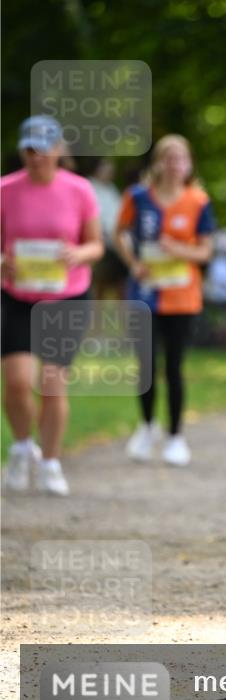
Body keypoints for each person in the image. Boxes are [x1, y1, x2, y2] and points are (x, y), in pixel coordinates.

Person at [1, 115, 103, 495]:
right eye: (29, 150)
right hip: (17, 297)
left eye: (43, 150)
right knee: (15, 382)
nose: (36, 157)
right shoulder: (5, 190)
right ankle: (23, 445)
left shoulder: (79, 190)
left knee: (52, 384)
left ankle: (51, 462)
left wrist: (77, 253)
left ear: (60, 151)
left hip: (67, 298)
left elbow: (97, 246)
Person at [113, 134, 215, 466]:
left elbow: (206, 251)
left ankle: (175, 436)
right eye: (168, 158)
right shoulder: (138, 197)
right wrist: (133, 263)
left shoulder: (198, 201)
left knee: (174, 366)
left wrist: (179, 250)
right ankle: (145, 428)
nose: (174, 164)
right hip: (144, 294)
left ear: (189, 164)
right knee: (145, 365)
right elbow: (119, 233)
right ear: (158, 162)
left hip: (182, 296)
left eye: (180, 158)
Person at [88, 158, 127, 301]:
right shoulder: (90, 187)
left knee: (121, 285)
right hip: (102, 243)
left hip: (116, 243)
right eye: (106, 168)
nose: (109, 172)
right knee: (100, 285)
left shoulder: (111, 189)